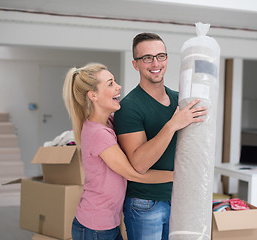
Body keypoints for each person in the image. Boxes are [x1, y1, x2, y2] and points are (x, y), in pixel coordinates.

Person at [62, 63, 174, 240]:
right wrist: (178, 175)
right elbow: (133, 174)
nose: (118, 87)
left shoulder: (109, 122)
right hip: (95, 228)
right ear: (93, 95)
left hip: (107, 224)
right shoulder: (98, 133)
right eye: (110, 83)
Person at [114, 32, 208, 239]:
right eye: (147, 58)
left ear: (167, 59)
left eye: (161, 56)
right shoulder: (129, 107)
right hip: (146, 203)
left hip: (180, 198)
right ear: (135, 64)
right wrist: (172, 124)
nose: (155, 63)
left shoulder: (180, 100)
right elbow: (139, 164)